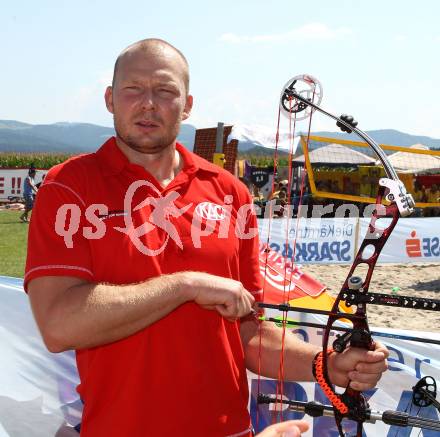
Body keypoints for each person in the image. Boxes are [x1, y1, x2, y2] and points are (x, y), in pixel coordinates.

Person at [25, 39, 388, 437]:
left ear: (187, 104)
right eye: (133, 89)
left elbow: (248, 333)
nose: (148, 103)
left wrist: (326, 365)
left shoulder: (230, 192)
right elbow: (59, 326)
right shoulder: (68, 187)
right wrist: (185, 285)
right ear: (110, 99)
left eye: (165, 91)